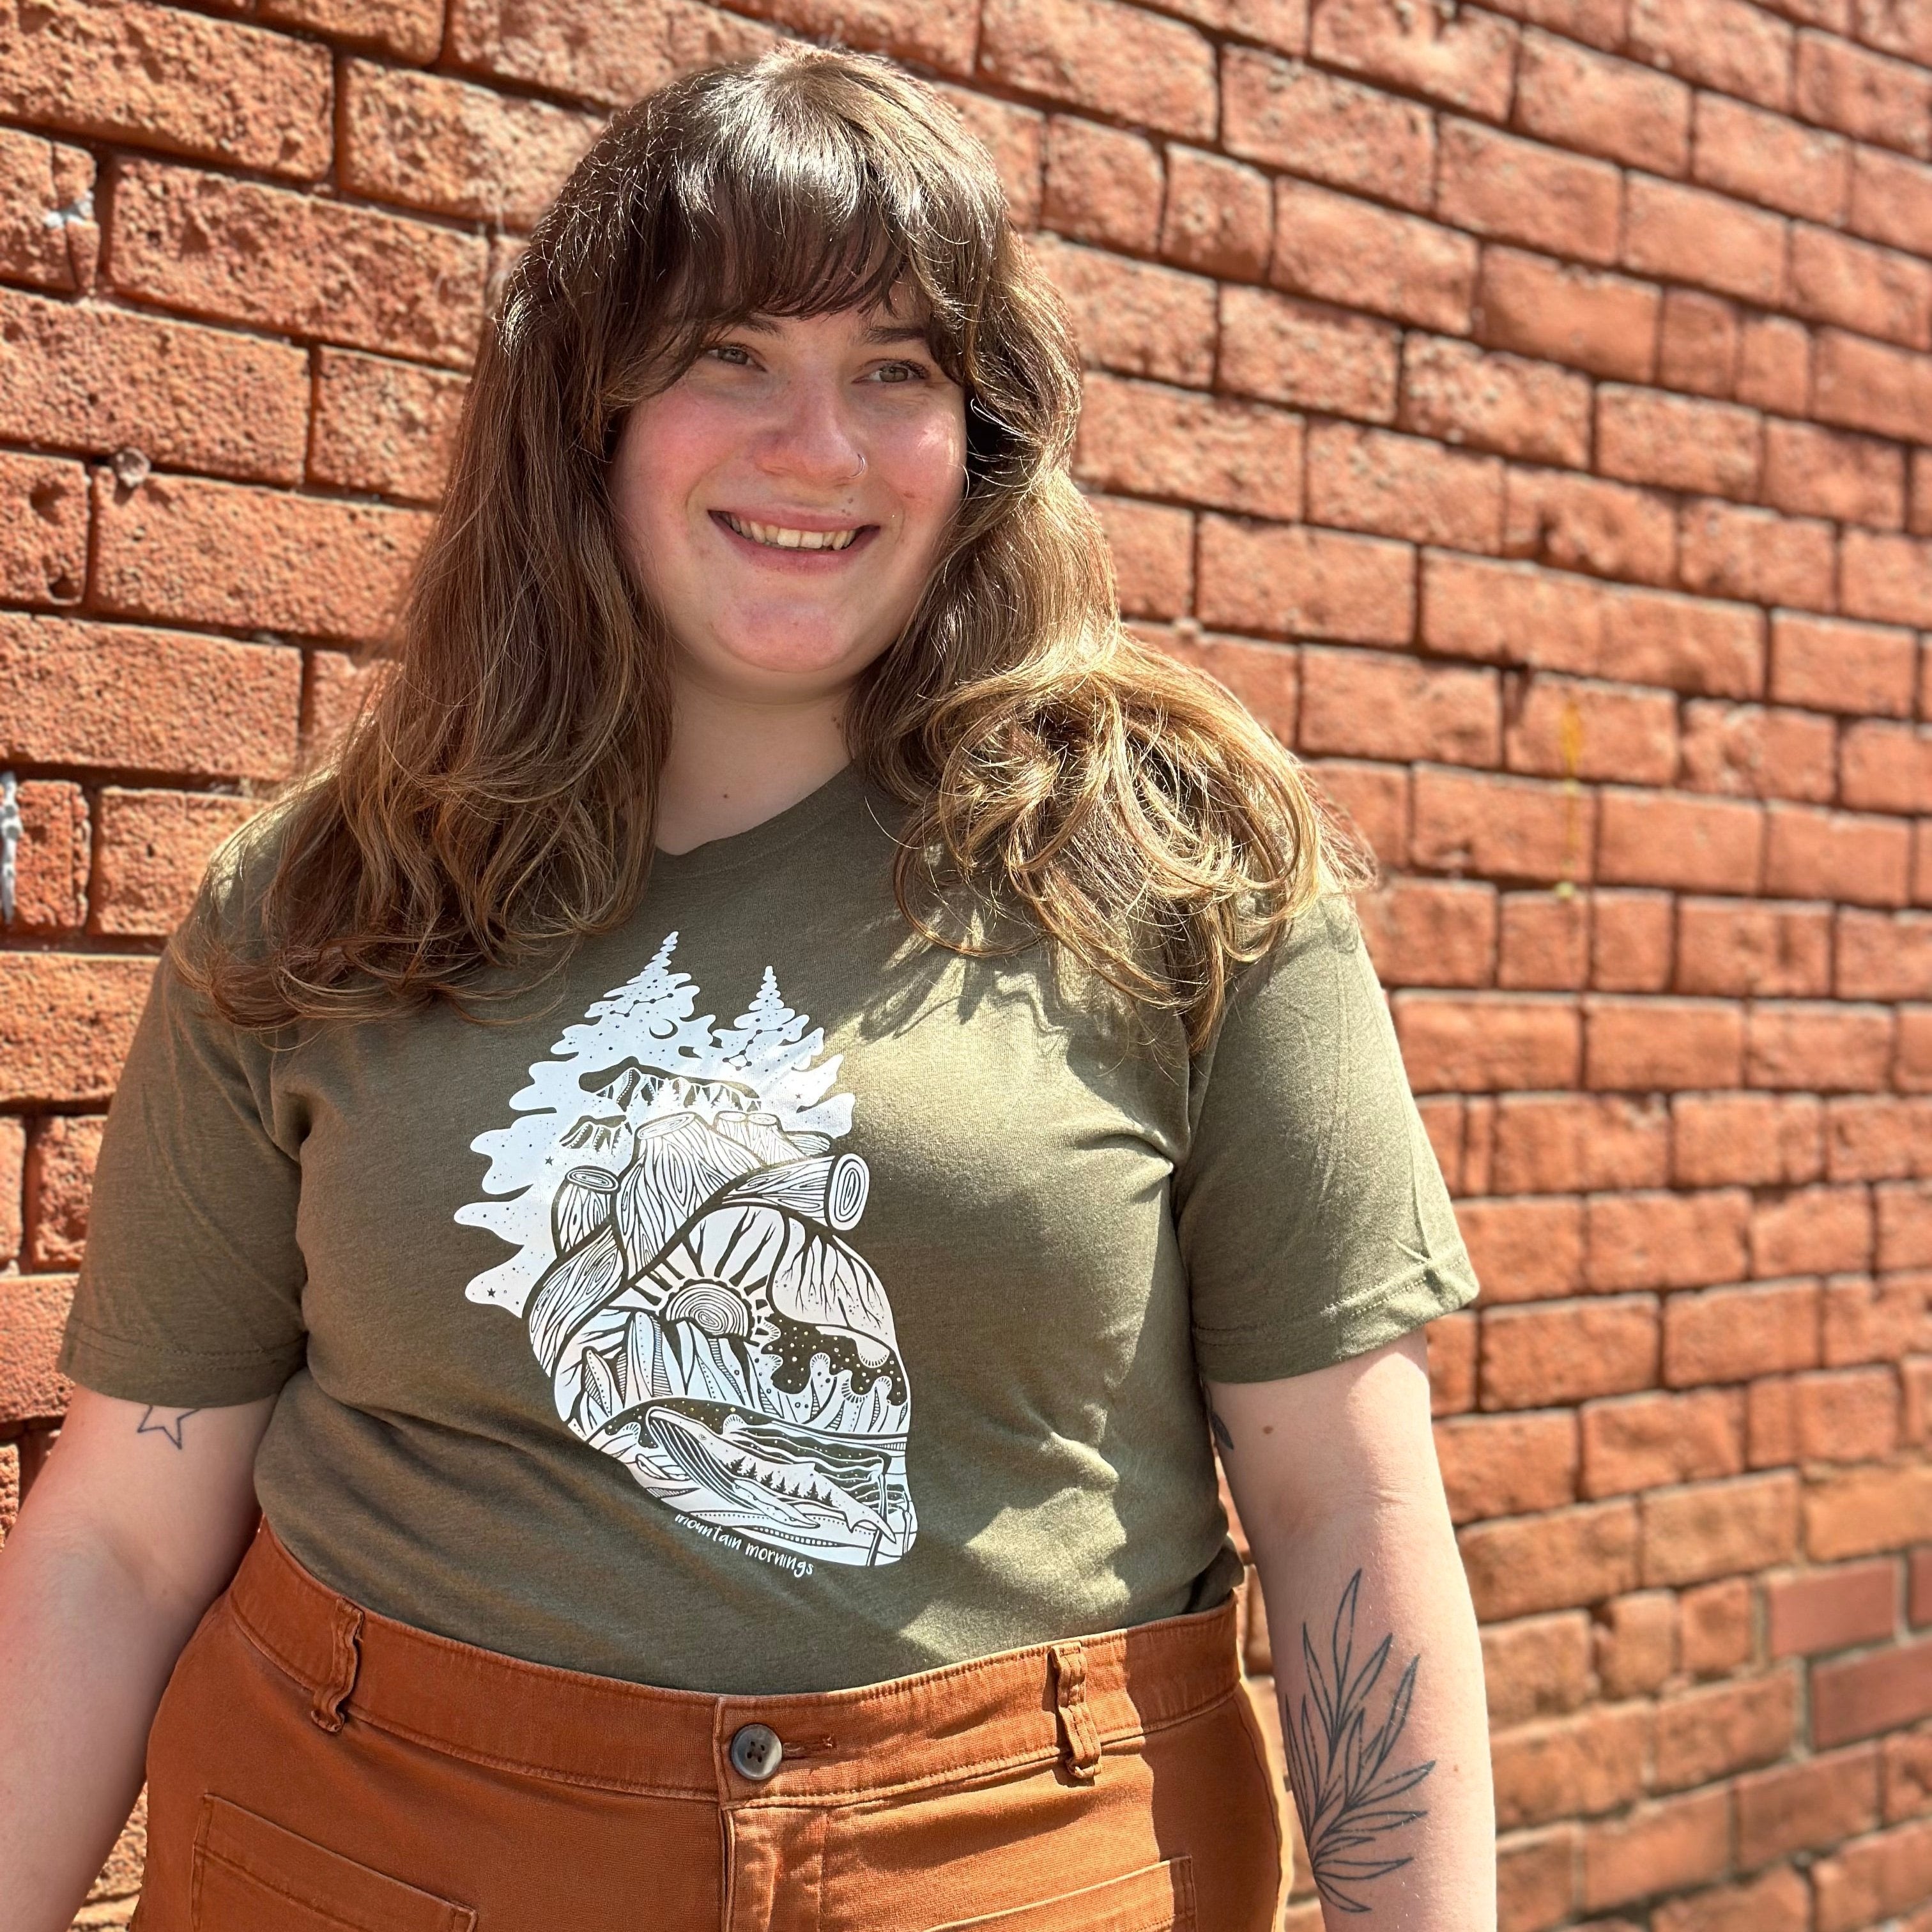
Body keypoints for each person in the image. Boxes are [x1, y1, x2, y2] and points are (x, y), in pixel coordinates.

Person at [0, 43, 1492, 1932]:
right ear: (590, 416)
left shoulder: (1177, 867)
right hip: (357, 1863)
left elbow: (1349, 1515)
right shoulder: (323, 904)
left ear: (983, 436)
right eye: (731, 356)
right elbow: (126, 1541)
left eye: (898, 370)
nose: (821, 447)